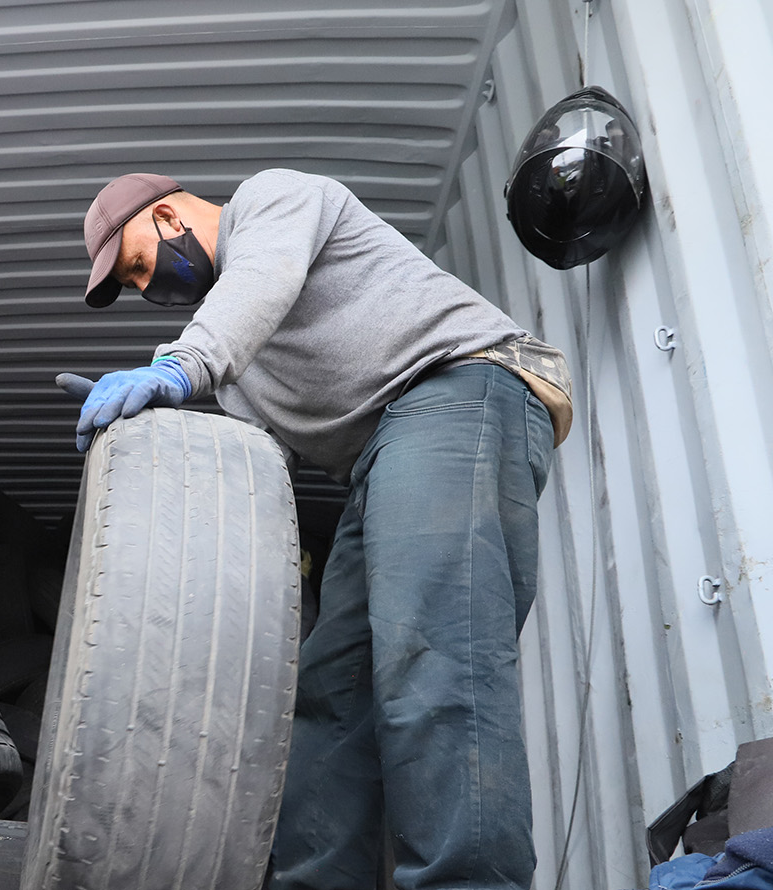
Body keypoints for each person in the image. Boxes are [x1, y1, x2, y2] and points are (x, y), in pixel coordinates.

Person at [62, 169, 573, 890]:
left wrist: (178, 366)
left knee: (435, 656)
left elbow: (260, 284)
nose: (151, 289)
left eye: (140, 264)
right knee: (334, 693)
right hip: (381, 460)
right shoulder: (240, 368)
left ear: (171, 215)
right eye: (137, 285)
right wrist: (151, 426)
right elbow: (241, 449)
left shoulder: (271, 202)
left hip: (457, 388)